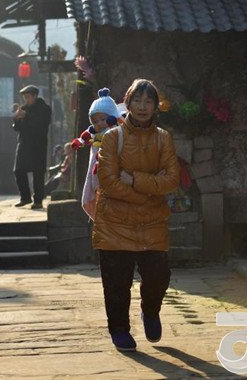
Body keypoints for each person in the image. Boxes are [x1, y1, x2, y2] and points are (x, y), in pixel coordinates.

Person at [93, 79, 180, 352]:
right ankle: (119, 329)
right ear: (127, 103)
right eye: (138, 101)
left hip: (152, 223)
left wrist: (135, 180)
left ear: (156, 106)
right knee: (116, 283)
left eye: (148, 101)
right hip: (115, 223)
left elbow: (172, 180)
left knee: (158, 276)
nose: (143, 107)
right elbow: (108, 182)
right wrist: (148, 192)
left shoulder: (163, 138)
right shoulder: (112, 138)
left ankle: (150, 311)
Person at [71, 88, 122, 219]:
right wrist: (79, 141)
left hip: (112, 173)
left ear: (112, 117)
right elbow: (85, 136)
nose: (99, 123)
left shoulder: (118, 131)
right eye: (95, 121)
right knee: (96, 191)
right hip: (96, 171)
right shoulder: (94, 133)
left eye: (102, 119)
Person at [12, 85, 52, 209]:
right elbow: (17, 128)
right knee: (18, 170)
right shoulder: (24, 109)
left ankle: (38, 200)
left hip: (38, 145)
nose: (26, 99)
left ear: (34, 96)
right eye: (25, 97)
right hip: (24, 144)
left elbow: (42, 123)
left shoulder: (44, 108)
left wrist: (26, 116)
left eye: (28, 96)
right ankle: (25, 197)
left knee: (38, 173)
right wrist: (16, 119)